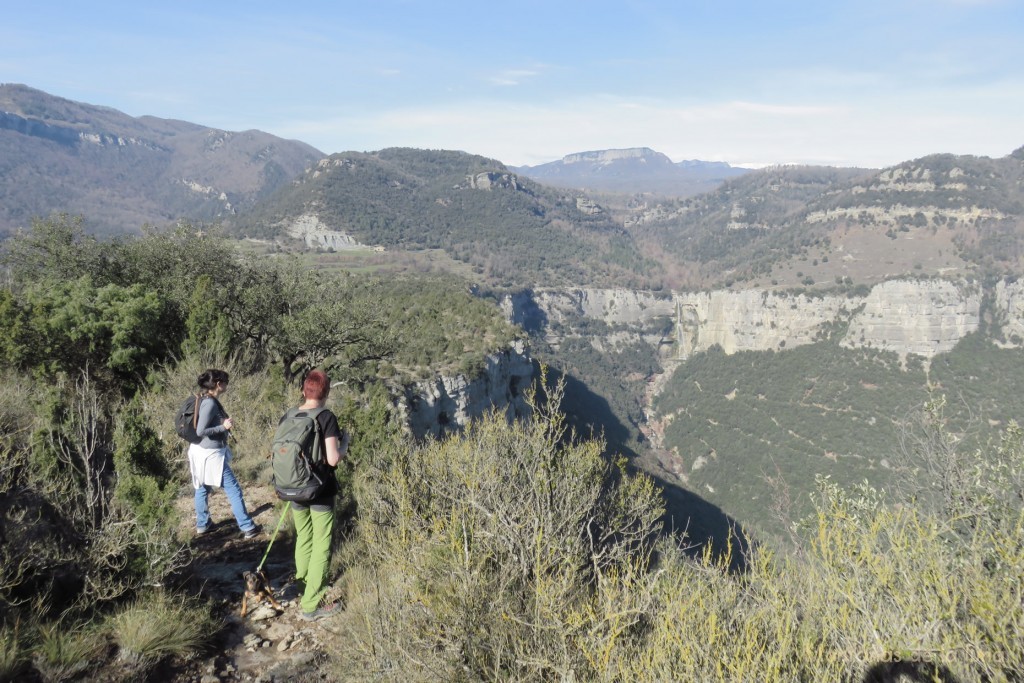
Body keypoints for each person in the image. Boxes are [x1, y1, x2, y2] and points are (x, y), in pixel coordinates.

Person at [285, 369, 349, 621]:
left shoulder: (289, 416)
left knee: (304, 538)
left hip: (294, 489)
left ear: (304, 390)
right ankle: (312, 603)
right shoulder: (326, 417)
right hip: (320, 490)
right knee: (322, 542)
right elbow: (333, 459)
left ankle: (304, 588)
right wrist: (345, 444)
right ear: (326, 393)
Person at [188, 369, 260, 539]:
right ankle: (247, 526)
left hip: (201, 452)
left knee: (202, 487)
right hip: (210, 454)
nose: (227, 384)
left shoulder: (207, 400)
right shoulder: (210, 403)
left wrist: (221, 422)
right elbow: (201, 430)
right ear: (219, 384)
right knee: (233, 489)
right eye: (226, 382)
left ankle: (203, 524)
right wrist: (223, 427)